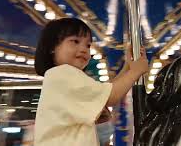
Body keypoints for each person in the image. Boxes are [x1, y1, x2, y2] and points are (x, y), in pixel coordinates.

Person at [33, 18, 148, 146]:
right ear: (52, 47)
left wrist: (128, 66)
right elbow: (111, 96)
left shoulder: (56, 77)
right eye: (75, 41)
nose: (83, 49)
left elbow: (107, 92)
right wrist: (135, 71)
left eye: (87, 45)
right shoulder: (64, 73)